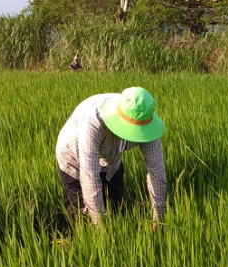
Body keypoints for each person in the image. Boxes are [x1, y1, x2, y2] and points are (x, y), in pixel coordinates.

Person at [56, 87, 167, 232]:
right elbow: (89, 175)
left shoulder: (145, 117)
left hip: (112, 158)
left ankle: (118, 234)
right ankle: (80, 242)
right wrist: (101, 230)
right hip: (75, 158)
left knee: (117, 204)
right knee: (82, 212)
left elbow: (157, 171)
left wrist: (160, 218)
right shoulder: (93, 122)